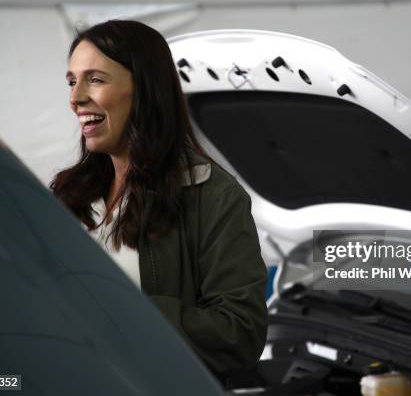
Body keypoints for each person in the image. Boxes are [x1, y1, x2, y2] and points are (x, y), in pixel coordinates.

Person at [50, 19, 268, 375]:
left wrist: (126, 311)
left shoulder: (212, 195)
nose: (75, 98)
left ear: (145, 89)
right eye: (73, 81)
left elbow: (240, 332)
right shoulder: (67, 193)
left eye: (96, 79)